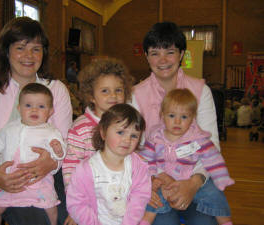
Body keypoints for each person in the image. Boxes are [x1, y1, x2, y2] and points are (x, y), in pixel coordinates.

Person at [0, 17, 72, 225]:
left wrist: (51, 162)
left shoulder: (56, 89)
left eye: (36, 49)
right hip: (10, 180)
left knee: (71, 217)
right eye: (20, 47)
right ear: (7, 52)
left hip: (53, 175)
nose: (28, 56)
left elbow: (65, 142)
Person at [132, 21, 220, 224]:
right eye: (154, 53)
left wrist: (193, 183)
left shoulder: (200, 91)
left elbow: (211, 145)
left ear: (181, 54)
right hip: (154, 179)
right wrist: (159, 178)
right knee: (164, 221)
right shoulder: (136, 94)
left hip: (195, 175)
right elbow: (135, 147)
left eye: (170, 52)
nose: (162, 60)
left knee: (205, 221)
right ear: (146, 57)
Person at [0, 83, 67, 225]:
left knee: (51, 208)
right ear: (19, 108)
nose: (34, 110)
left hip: (38, 182)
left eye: (41, 106)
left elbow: (61, 151)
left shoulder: (51, 132)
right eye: (28, 105)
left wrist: (58, 150)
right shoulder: (10, 128)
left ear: (50, 111)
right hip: (9, 179)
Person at [139, 89, 234, 225]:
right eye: (171, 116)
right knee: (154, 198)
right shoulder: (155, 137)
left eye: (184, 117)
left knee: (215, 193)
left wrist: (221, 177)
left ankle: (225, 221)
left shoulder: (198, 138)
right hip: (165, 183)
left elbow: (213, 158)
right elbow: (147, 160)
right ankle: (145, 222)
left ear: (192, 118)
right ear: (162, 115)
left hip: (192, 182)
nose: (177, 121)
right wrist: (153, 177)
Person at [66, 103, 151, 225]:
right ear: (103, 132)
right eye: (121, 132)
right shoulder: (86, 169)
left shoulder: (138, 167)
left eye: (134, 135)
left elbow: (140, 199)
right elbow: (77, 203)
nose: (127, 140)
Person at [62, 57, 133, 191]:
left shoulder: (128, 123)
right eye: (105, 91)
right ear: (91, 96)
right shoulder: (80, 129)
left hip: (122, 192)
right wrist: (75, 197)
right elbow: (71, 166)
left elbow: (133, 158)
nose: (113, 95)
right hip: (90, 193)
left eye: (118, 90)